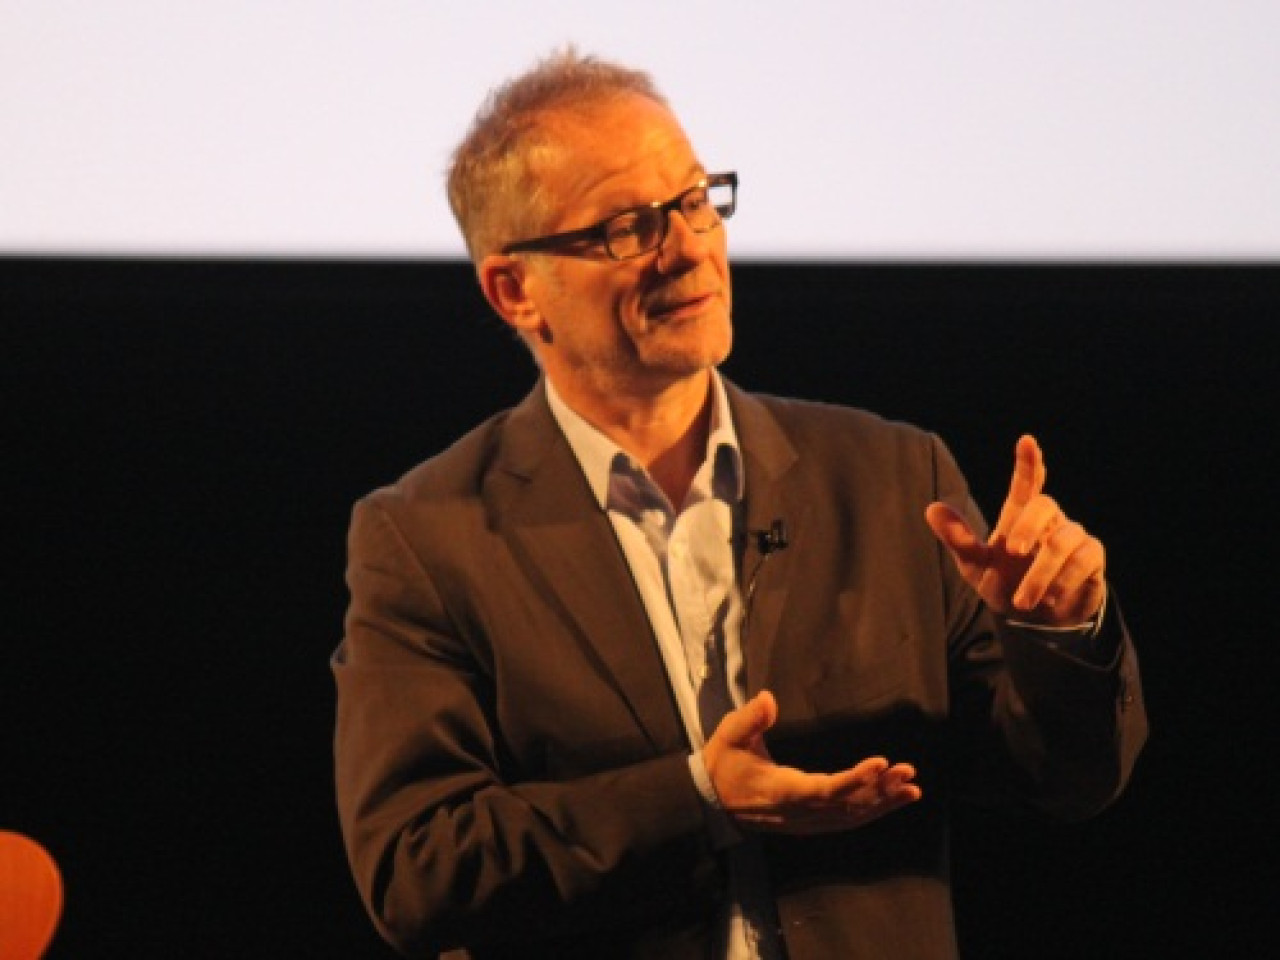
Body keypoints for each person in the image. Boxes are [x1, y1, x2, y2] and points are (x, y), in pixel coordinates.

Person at [331, 49, 1147, 960]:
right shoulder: (427, 535)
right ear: (515, 289)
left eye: (692, 201)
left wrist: (1060, 636)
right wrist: (700, 799)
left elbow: (1070, 779)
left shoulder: (891, 478)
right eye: (627, 227)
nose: (689, 248)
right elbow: (417, 870)